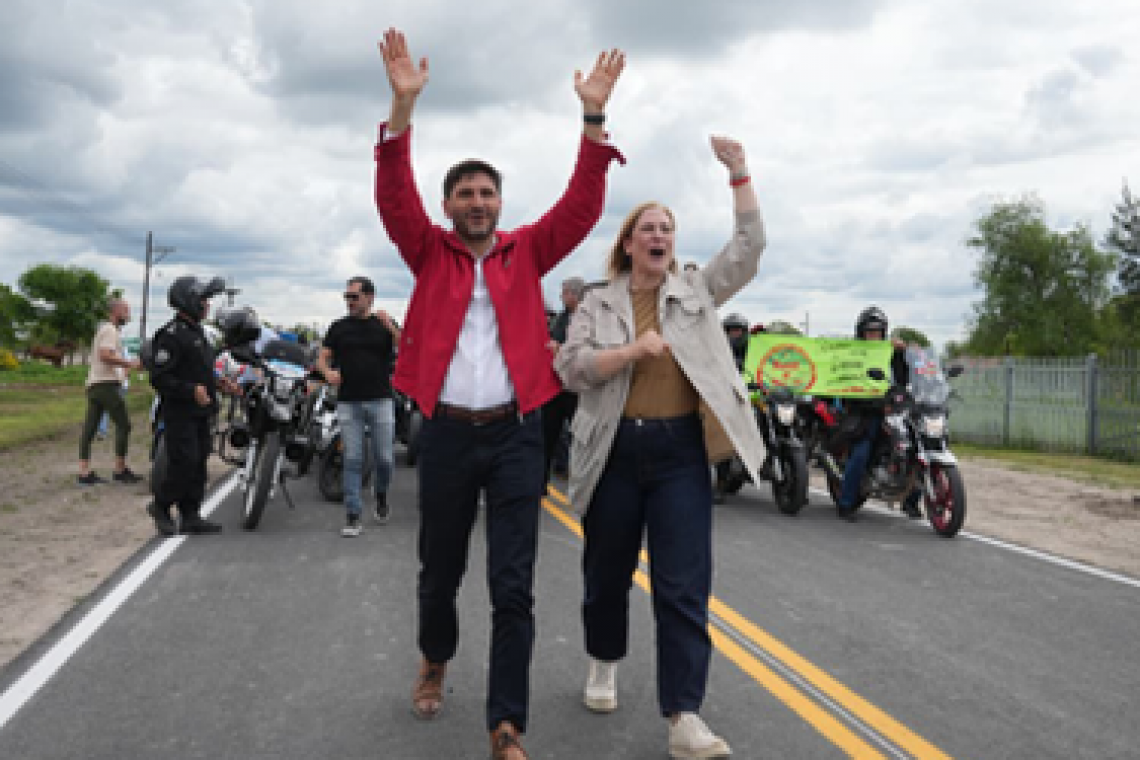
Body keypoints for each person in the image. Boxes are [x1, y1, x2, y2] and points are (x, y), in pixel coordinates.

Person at [374, 28, 624, 759]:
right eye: (465, 193)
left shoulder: (528, 251)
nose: (477, 203)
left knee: (512, 585)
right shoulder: (427, 248)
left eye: (487, 193)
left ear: (499, 202)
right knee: (439, 574)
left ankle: (505, 725)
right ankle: (433, 657)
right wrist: (401, 109)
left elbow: (581, 206)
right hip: (447, 435)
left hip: (518, 435)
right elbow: (392, 196)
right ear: (449, 204)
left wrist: (592, 120)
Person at [555, 135, 767, 760]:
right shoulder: (597, 301)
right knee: (606, 576)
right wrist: (629, 352)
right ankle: (603, 661)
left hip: (679, 454)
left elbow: (749, 249)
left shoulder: (696, 292)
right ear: (628, 242)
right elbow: (571, 368)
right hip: (615, 451)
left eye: (666, 229)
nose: (658, 236)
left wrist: (739, 174)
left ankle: (684, 716)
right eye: (647, 228)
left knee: (683, 585)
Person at [143, 275, 231, 536]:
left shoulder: (199, 333)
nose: (207, 305)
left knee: (199, 464)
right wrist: (190, 391)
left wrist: (219, 383)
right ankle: (160, 505)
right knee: (184, 463)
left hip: (202, 412)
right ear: (189, 301)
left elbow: (200, 372)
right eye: (203, 300)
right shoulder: (171, 335)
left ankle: (190, 514)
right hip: (180, 412)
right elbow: (160, 377)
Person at [317, 276, 398, 535]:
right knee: (352, 458)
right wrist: (327, 373)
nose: (350, 302)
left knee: (384, 459)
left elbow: (408, 347)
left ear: (370, 297)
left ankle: (381, 494)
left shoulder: (383, 325)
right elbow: (323, 357)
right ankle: (353, 515)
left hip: (381, 399)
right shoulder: (339, 327)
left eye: (354, 296)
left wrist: (391, 327)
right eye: (347, 297)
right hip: (349, 402)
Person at [834, 306, 923, 520]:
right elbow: (848, 386)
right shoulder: (853, 355)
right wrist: (876, 405)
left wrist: (902, 353)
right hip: (866, 413)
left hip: (896, 410)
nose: (874, 336)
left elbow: (904, 379)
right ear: (861, 333)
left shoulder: (891, 354)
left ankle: (911, 500)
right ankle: (846, 502)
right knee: (862, 451)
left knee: (918, 447)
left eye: (878, 332)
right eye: (870, 332)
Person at [78, 299, 143, 485]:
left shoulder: (105, 330)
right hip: (106, 385)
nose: (128, 314)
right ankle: (119, 469)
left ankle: (84, 472)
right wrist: (128, 363)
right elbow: (105, 355)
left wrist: (124, 370)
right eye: (126, 310)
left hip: (95, 385)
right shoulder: (110, 330)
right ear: (116, 311)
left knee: (90, 429)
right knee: (124, 424)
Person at [542, 276, 587, 481]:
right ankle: (541, 480)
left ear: (573, 294)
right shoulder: (562, 317)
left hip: (577, 389)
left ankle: (580, 477)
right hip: (556, 386)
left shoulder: (588, 318)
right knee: (547, 435)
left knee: (580, 436)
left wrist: (561, 350)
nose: (561, 296)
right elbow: (552, 338)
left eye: (564, 292)